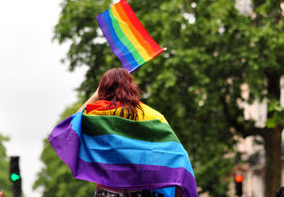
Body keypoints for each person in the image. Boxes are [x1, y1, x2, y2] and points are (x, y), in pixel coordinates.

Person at [49, 68, 197, 197]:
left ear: (103, 89)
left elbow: (70, 128)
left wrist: (95, 94)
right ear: (131, 87)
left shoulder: (96, 114)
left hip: (107, 192)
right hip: (142, 192)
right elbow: (178, 155)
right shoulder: (152, 116)